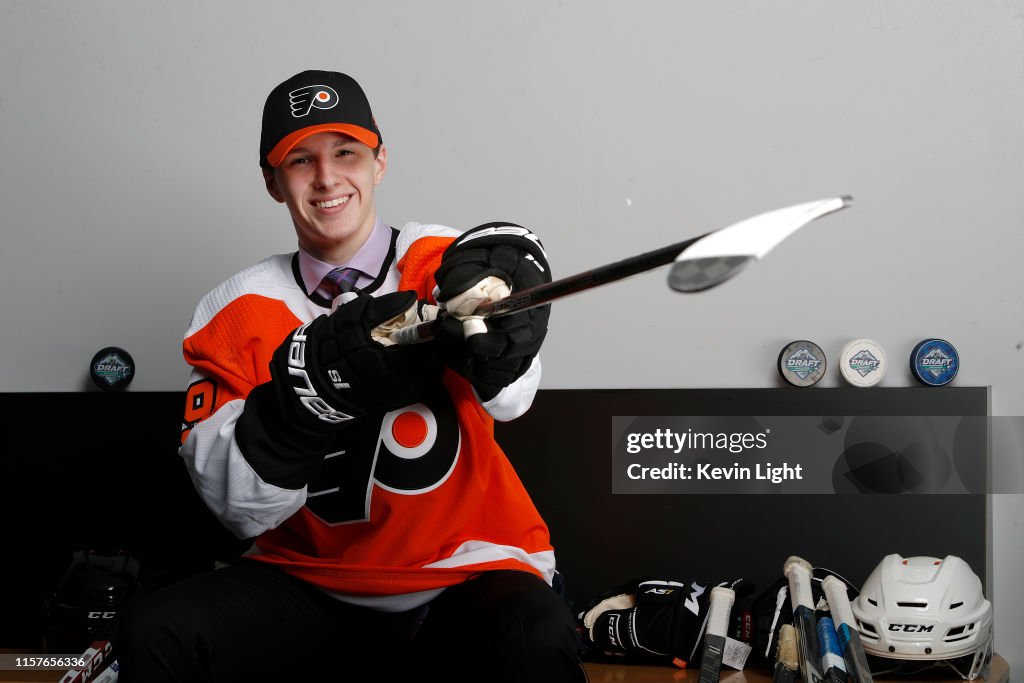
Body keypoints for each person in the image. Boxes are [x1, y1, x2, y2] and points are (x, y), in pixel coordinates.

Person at [117, 70, 587, 682]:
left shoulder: (443, 261)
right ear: (272, 182)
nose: (327, 178)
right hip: (309, 583)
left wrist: (506, 334)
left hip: (464, 573)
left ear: (379, 162)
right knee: (159, 633)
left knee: (535, 633)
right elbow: (238, 509)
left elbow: (513, 401)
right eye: (300, 161)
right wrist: (304, 398)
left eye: (347, 153)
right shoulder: (233, 310)